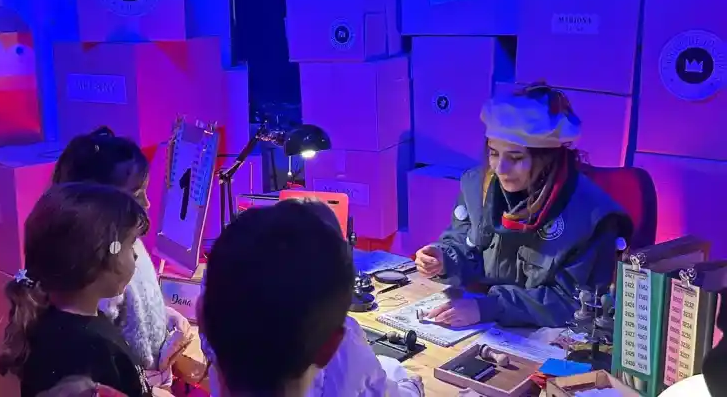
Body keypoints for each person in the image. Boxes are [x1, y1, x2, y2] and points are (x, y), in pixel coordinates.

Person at [414, 82, 633, 328]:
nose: (500, 169)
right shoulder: (478, 185)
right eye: (494, 153)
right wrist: (444, 259)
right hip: (482, 318)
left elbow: (573, 302)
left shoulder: (592, 216)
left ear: (547, 159)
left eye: (516, 157)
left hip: (548, 333)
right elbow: (467, 245)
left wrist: (490, 307)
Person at [198, 198, 424, 396]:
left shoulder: (216, 333)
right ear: (330, 346)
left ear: (203, 317)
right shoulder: (348, 347)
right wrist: (413, 388)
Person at [52, 127, 192, 387]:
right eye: (137, 194)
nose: (147, 204)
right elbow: (106, 355)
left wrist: (166, 317)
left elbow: (133, 312)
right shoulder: (101, 272)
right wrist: (146, 386)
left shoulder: (127, 244)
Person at [0, 183, 152, 397]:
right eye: (131, 244)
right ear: (102, 257)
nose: (135, 255)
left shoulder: (54, 321)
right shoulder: (90, 352)